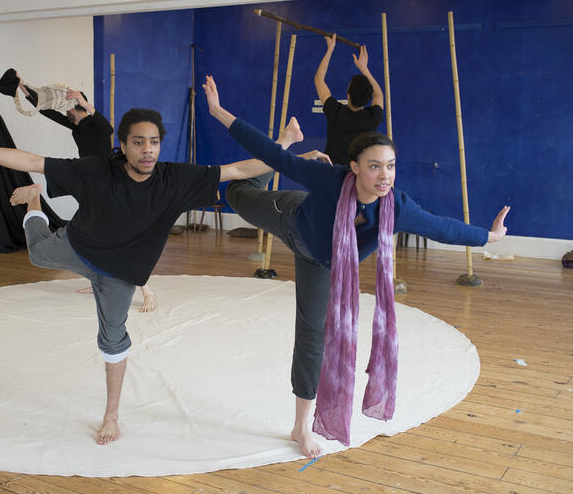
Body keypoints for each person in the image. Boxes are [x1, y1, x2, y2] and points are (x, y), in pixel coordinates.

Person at [0, 107, 329, 446]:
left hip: (119, 274)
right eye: (138, 142)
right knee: (40, 252)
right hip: (77, 247)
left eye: (154, 142)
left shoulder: (174, 178)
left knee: (113, 339)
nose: (147, 150)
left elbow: (239, 169)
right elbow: (28, 160)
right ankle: (33, 202)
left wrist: (295, 155)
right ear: (123, 145)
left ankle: (111, 414)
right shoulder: (96, 171)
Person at [203, 75, 509, 458]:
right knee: (239, 193)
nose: (384, 176)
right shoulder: (329, 179)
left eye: (391, 167)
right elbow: (270, 154)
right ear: (354, 167)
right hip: (292, 219)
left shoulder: (396, 207)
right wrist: (217, 111)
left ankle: (301, 426)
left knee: (314, 334)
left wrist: (488, 237)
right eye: (375, 167)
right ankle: (289, 137)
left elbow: (441, 227)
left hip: (323, 261)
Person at [0, 69, 158, 311]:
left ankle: (147, 292)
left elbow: (108, 127)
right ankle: (95, 279)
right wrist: (22, 87)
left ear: (77, 106)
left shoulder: (98, 126)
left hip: (109, 184)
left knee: (118, 236)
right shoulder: (77, 127)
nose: (66, 111)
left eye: (69, 107)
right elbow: (45, 111)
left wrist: (83, 101)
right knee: (90, 233)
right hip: (89, 183)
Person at [314, 34, 385, 165]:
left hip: (333, 174)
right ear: (368, 98)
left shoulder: (336, 112)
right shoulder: (372, 117)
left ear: (348, 95)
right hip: (359, 177)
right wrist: (364, 68)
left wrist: (330, 49)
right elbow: (379, 95)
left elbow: (319, 79)